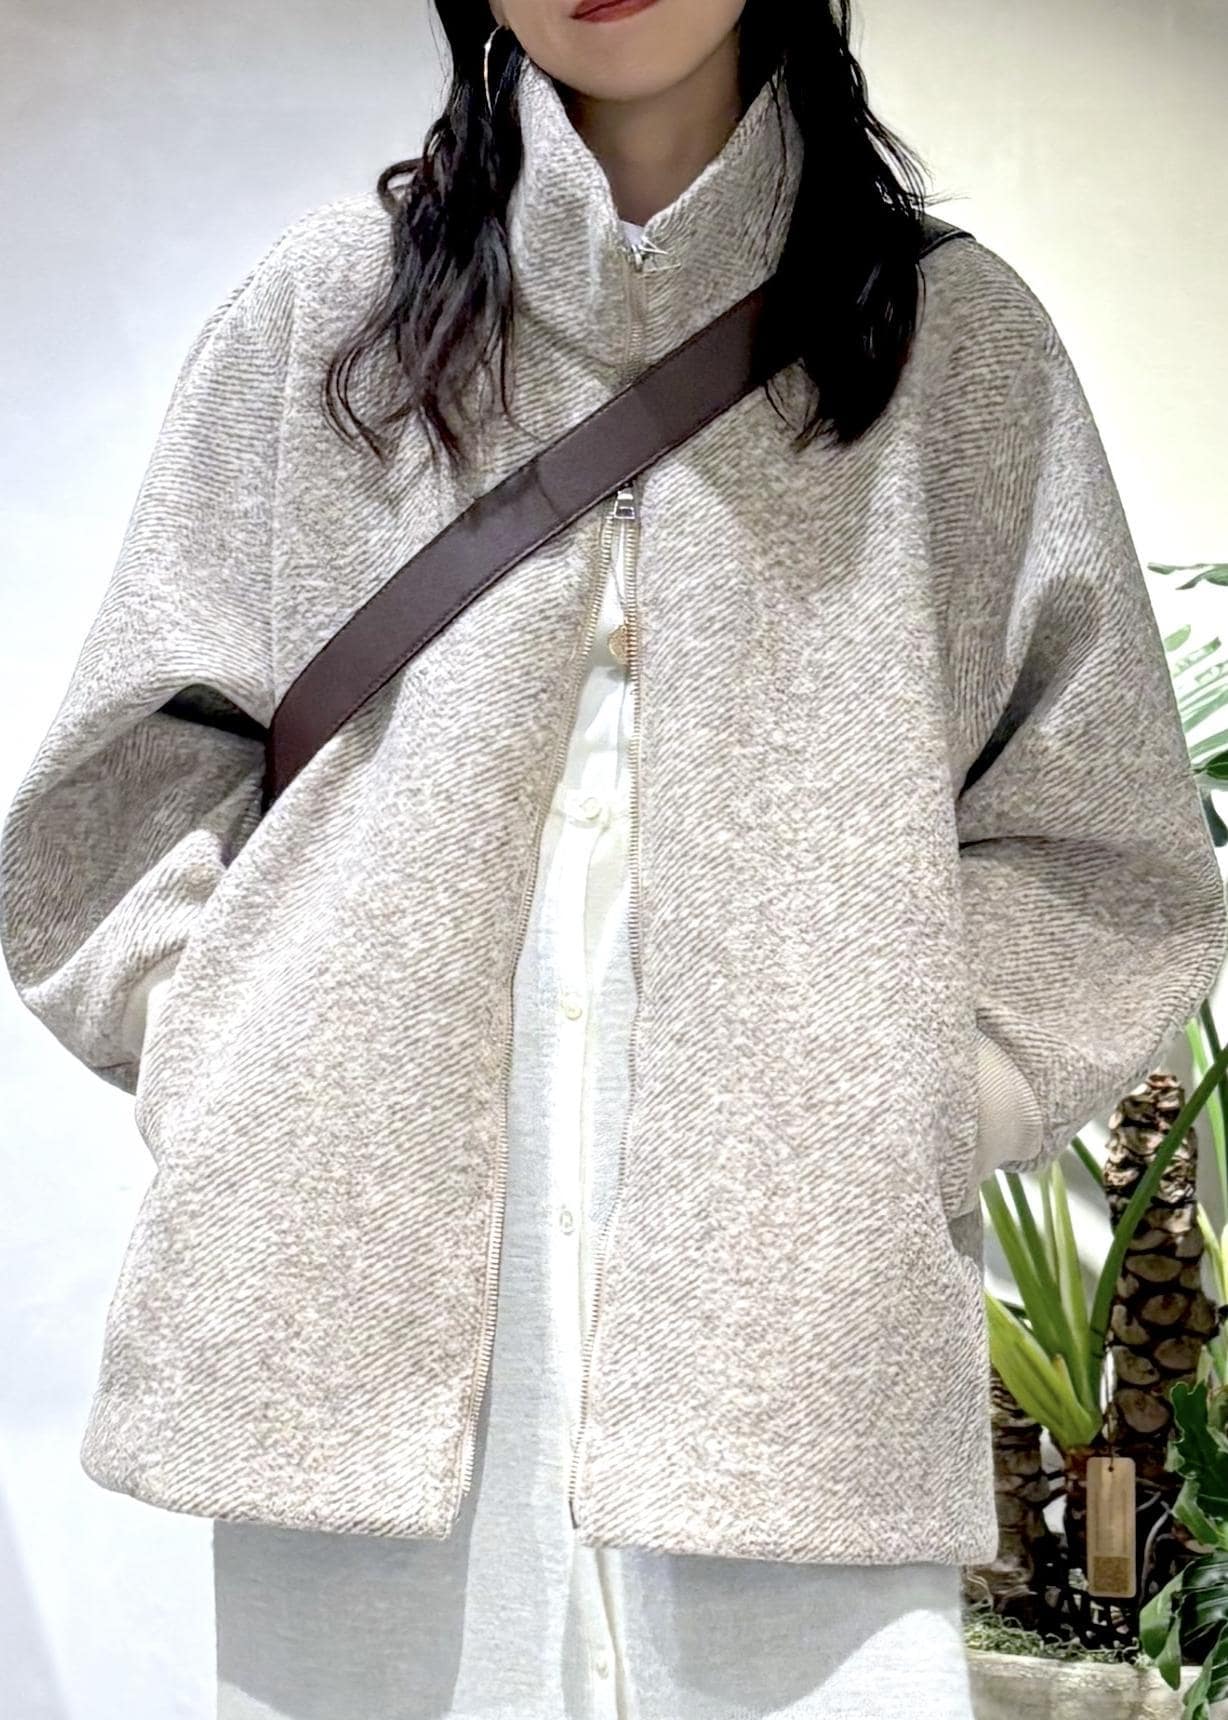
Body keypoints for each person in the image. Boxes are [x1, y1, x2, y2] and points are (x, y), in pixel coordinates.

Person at [2, 2, 1225, 1717]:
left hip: (795, 1348)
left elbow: (1105, 844)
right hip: (350, 1335)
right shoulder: (325, 318)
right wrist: (243, 1056)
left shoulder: (955, 347)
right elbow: (112, 804)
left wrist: (917, 1096)